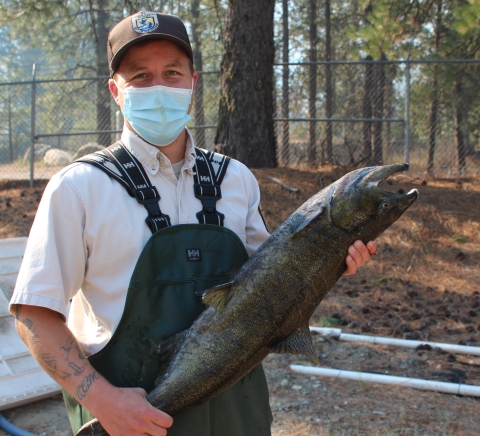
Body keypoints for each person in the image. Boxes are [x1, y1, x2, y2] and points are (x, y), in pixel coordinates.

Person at [10, 11, 377, 436]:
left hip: (239, 415)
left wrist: (331, 259)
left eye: (171, 73)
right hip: (129, 422)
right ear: (115, 90)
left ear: (193, 82)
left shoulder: (235, 179)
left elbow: (273, 282)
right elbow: (34, 314)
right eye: (140, 77)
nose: (159, 87)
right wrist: (102, 400)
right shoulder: (78, 188)